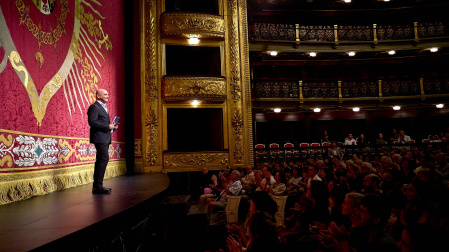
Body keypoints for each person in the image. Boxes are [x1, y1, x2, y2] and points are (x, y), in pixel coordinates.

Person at [87, 89, 118, 194]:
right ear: (98, 96)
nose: (107, 96)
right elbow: (92, 122)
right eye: (105, 94)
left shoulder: (103, 107)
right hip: (99, 138)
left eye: (108, 94)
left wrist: (112, 127)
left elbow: (102, 123)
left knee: (102, 159)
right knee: (103, 159)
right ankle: (97, 185)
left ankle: (98, 185)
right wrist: (107, 126)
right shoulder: (94, 107)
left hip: (104, 137)